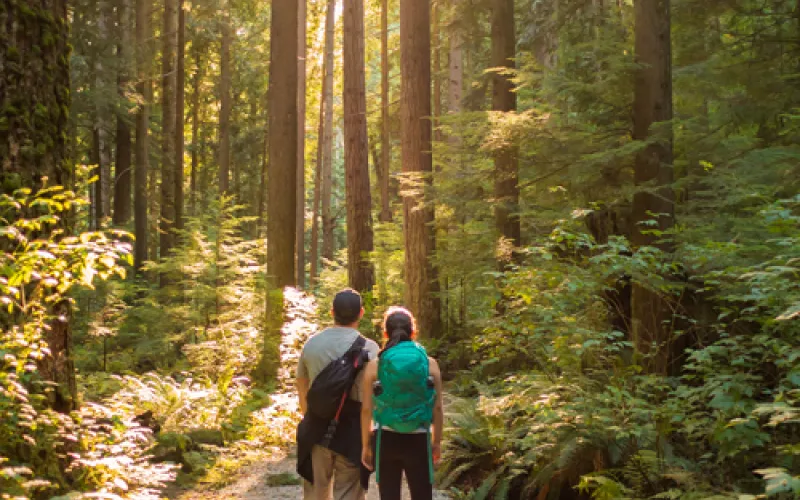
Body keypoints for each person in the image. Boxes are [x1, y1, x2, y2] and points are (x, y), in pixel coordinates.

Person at [296, 289, 380, 500]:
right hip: (353, 431)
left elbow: (301, 385)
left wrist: (312, 418)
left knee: (316, 492)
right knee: (350, 493)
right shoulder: (370, 348)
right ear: (361, 313)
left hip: (317, 427)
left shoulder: (311, 345)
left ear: (332, 311)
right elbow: (376, 394)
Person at [359, 307, 444, 500]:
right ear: (413, 332)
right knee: (422, 495)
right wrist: (436, 442)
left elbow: (366, 409)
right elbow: (437, 407)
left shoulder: (376, 365)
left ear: (386, 333)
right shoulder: (429, 363)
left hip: (385, 438)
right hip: (419, 438)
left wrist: (366, 445)